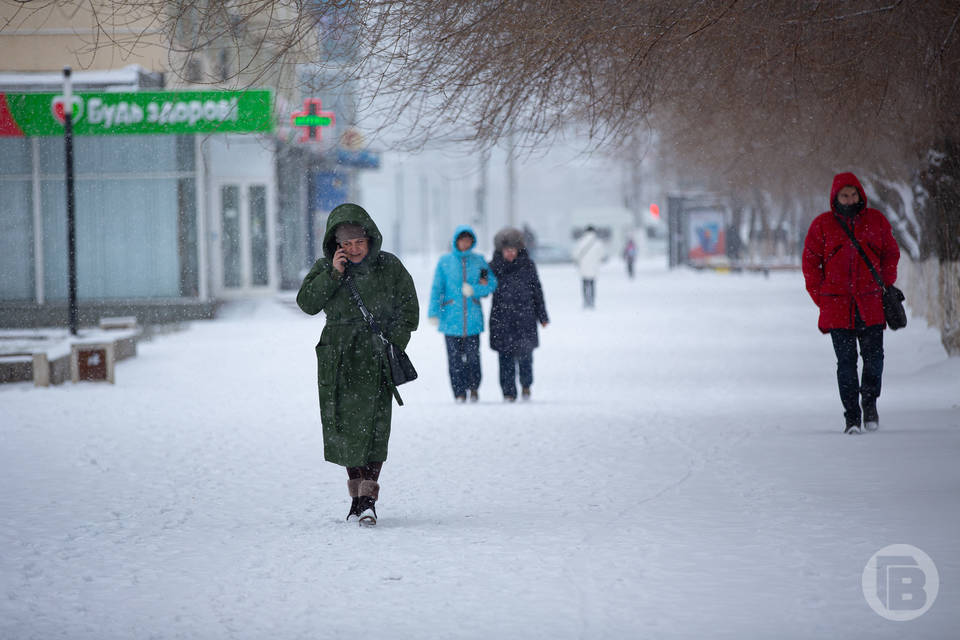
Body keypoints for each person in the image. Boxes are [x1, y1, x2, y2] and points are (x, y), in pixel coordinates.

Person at [297, 203, 419, 525]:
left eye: (358, 243)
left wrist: (391, 343)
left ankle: (367, 500)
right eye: (346, 244)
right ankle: (358, 498)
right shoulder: (326, 268)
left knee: (376, 429)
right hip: (338, 361)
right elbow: (307, 304)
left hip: (375, 358)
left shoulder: (389, 267)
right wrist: (333, 274)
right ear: (336, 245)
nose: (353, 250)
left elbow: (409, 310)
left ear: (369, 239)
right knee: (347, 431)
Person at [802, 172, 901, 435]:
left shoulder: (876, 221)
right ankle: (852, 417)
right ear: (836, 197)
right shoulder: (822, 225)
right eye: (844, 195)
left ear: (860, 195)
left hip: (870, 303)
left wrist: (886, 283)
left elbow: (891, 253)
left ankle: (870, 403)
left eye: (853, 194)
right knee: (846, 363)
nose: (849, 199)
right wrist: (821, 296)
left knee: (874, 360)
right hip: (837, 308)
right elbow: (810, 264)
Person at [428, 225, 497, 402]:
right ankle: (459, 392)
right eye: (462, 240)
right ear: (456, 241)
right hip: (450, 319)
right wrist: (433, 312)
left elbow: (489, 285)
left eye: (468, 240)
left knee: (473, 358)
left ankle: (474, 388)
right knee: (455, 360)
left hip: (473, 319)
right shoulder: (444, 262)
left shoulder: (479, 261)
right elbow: (437, 288)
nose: (465, 244)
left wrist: (474, 290)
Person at [489, 227, 549, 401]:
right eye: (506, 250)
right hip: (501, 319)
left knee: (525, 356)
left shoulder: (528, 266)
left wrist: (542, 316)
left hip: (525, 318)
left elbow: (537, 291)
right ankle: (508, 392)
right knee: (505, 358)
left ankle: (525, 385)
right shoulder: (493, 267)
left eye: (513, 250)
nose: (510, 253)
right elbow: (482, 285)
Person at [573, 225, 606, 308]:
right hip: (593, 267)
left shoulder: (581, 241)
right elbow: (602, 255)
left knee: (584, 284)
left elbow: (575, 254)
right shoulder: (598, 242)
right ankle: (592, 301)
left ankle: (585, 301)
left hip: (583, 267)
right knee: (592, 284)